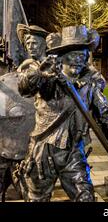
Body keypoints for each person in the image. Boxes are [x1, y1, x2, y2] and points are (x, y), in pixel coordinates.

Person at [17, 25, 108, 202]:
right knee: (37, 198)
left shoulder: (91, 83)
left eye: (82, 53)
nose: (78, 59)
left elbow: (106, 119)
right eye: (73, 53)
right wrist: (40, 73)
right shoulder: (48, 75)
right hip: (43, 151)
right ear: (62, 55)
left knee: (85, 197)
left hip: (73, 153)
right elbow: (24, 88)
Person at [0, 25, 46, 200]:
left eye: (34, 42)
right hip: (14, 139)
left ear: (43, 44)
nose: (31, 46)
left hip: (40, 137)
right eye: (28, 43)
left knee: (35, 190)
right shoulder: (24, 68)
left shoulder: (50, 69)